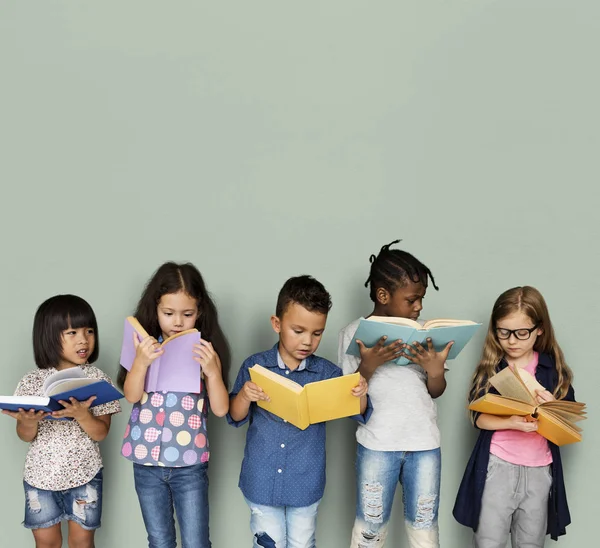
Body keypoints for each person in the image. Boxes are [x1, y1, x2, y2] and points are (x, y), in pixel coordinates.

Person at [228, 275, 370, 548]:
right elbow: (235, 416)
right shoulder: (256, 366)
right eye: (298, 331)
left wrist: (360, 394)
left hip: (305, 482)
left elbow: (358, 413)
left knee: (303, 543)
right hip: (261, 479)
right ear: (277, 324)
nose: (308, 341)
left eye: (317, 333)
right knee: (270, 544)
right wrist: (245, 395)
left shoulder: (328, 373)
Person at [338, 240, 453, 548]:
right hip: (378, 445)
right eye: (412, 299)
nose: (419, 307)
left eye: (422, 299)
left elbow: (436, 391)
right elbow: (347, 401)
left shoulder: (424, 333)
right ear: (383, 295)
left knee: (424, 526)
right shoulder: (353, 334)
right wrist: (368, 366)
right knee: (370, 527)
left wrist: (435, 370)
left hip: (425, 444)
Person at [117, 262, 230, 548]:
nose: (177, 322)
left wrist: (213, 373)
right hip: (146, 461)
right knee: (159, 540)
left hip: (189, 463)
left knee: (196, 542)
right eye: (168, 313)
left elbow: (220, 409)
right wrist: (141, 362)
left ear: (200, 311)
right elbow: (131, 395)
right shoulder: (144, 346)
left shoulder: (205, 351)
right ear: (155, 309)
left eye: (187, 314)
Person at [453, 286, 576, 547]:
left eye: (521, 333)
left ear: (539, 329)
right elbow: (477, 418)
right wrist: (511, 422)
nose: (511, 341)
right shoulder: (492, 367)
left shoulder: (551, 370)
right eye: (503, 332)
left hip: (539, 469)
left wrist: (553, 405)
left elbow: (569, 419)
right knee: (489, 540)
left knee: (531, 542)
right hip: (497, 465)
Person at [3, 294, 121, 548]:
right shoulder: (32, 381)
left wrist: (82, 415)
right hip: (40, 478)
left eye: (89, 331)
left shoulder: (97, 379)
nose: (84, 339)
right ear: (48, 336)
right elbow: (25, 435)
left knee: (82, 542)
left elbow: (101, 433)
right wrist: (29, 421)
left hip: (85, 475)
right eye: (72, 332)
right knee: (46, 543)